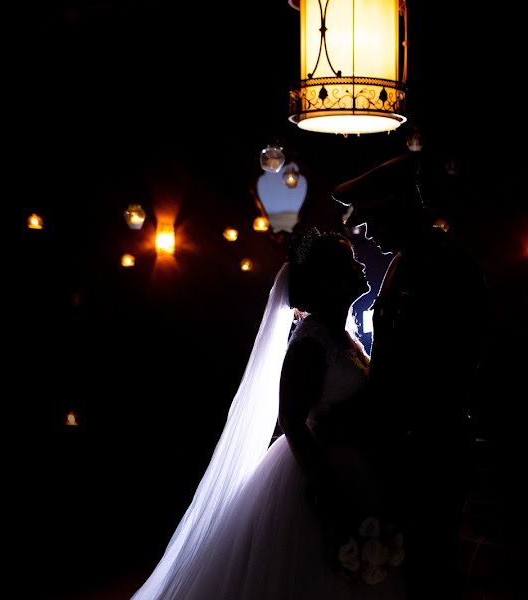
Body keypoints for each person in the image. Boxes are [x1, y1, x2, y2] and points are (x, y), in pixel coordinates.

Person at [131, 228, 406, 599]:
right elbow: (291, 420)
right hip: (317, 472)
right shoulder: (311, 341)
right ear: (327, 281)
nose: (360, 265)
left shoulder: (343, 335)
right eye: (347, 261)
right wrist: (326, 492)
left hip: (354, 464)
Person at [333, 154, 488, 599]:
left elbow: (424, 372)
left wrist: (351, 413)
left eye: (371, 221)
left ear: (395, 209)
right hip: (406, 446)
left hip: (430, 448)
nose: (368, 233)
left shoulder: (443, 267)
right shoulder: (407, 261)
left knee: (429, 574)